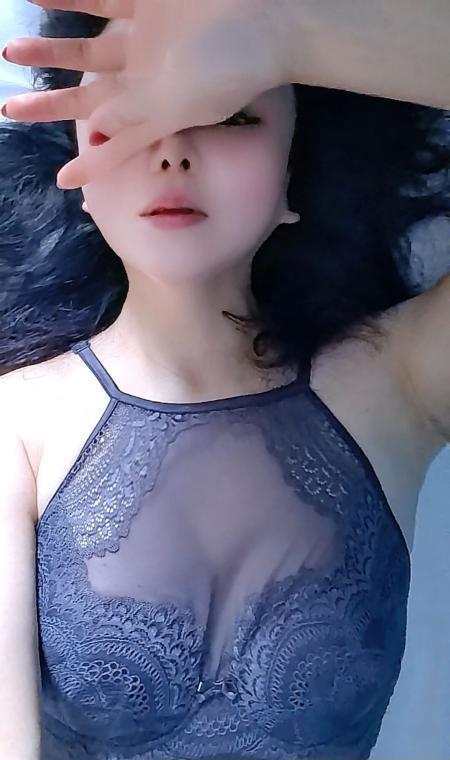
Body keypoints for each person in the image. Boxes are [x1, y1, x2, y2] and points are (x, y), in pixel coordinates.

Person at [0, 2, 448, 760]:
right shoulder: (15, 425)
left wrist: (284, 37)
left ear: (296, 169)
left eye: (230, 112)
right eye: (129, 111)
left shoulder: (401, 379)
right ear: (76, 166)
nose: (172, 149)